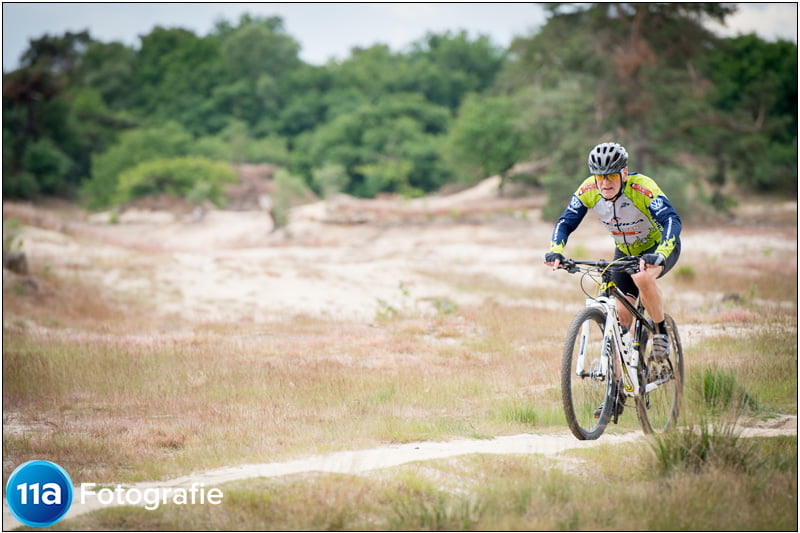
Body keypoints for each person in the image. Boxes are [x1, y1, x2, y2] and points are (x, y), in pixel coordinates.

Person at [544, 141, 682, 362]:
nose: (605, 182)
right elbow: (565, 222)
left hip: (657, 248)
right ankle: (617, 389)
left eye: (610, 176)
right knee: (620, 319)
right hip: (625, 253)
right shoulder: (589, 190)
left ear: (624, 173)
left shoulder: (641, 188)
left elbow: (671, 220)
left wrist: (662, 254)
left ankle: (660, 332)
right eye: (600, 177)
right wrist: (556, 251)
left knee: (643, 276)